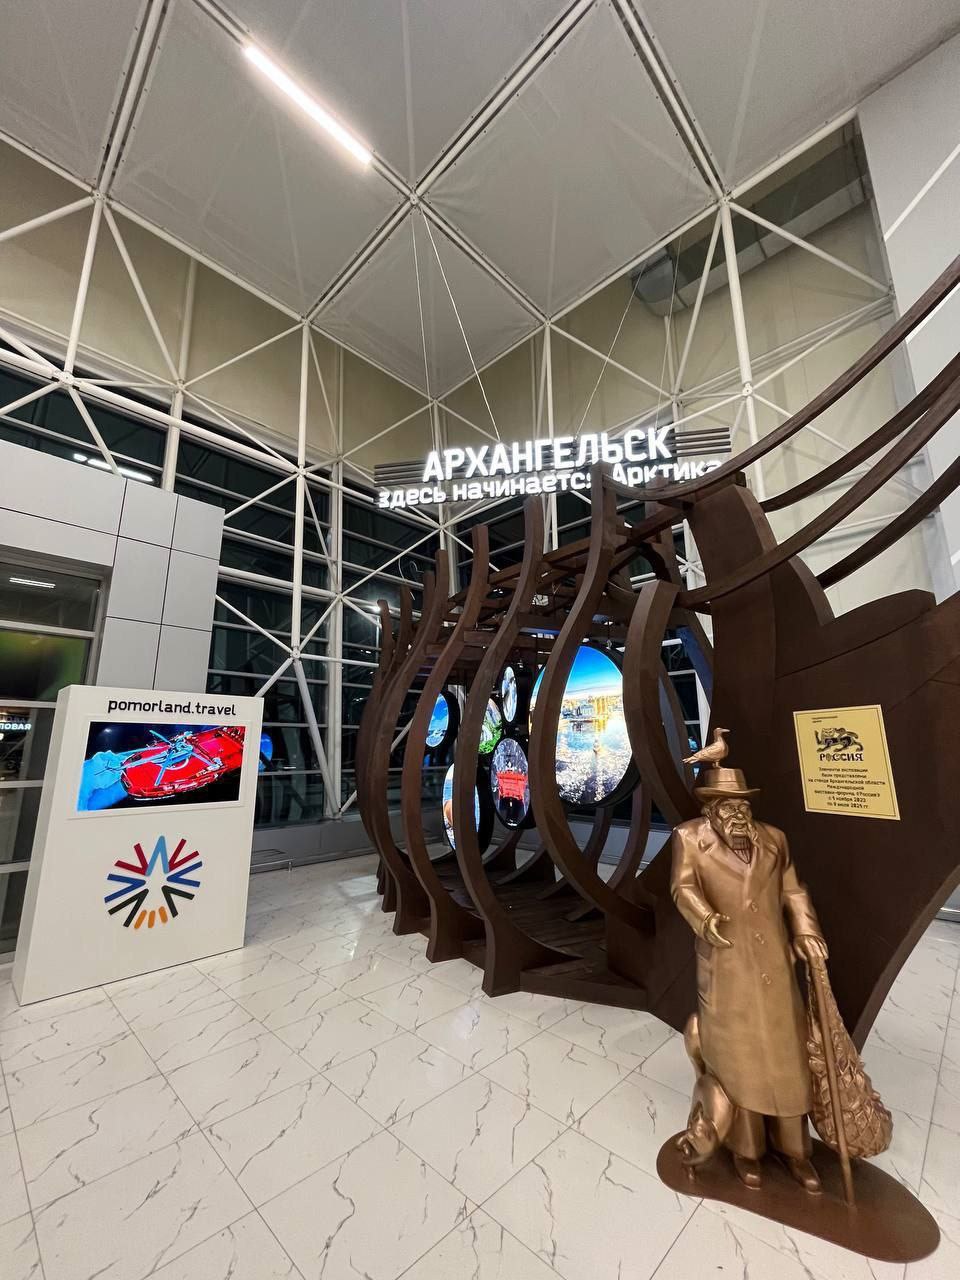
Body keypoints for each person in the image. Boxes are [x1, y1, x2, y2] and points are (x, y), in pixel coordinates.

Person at [670, 761, 828, 1192]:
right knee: (736, 1060)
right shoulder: (688, 837)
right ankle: (746, 1151)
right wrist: (704, 918)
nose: (737, 813)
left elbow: (793, 890)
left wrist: (806, 931)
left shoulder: (775, 839)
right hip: (725, 966)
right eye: (727, 806)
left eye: (742, 805)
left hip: (775, 965)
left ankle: (796, 1152)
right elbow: (682, 888)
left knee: (785, 1058)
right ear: (711, 810)